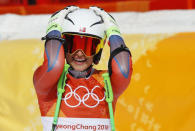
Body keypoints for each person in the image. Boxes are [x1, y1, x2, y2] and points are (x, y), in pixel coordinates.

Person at [33, 6, 132, 131]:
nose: (79, 53)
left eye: (88, 46)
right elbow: (54, 65)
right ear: (63, 46)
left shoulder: (107, 83)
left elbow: (123, 70)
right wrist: (53, 27)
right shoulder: (48, 84)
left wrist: (113, 31)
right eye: (72, 44)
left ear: (98, 50)